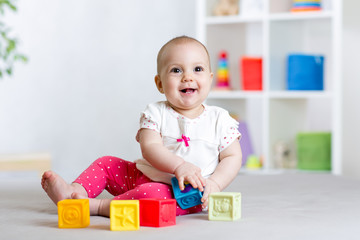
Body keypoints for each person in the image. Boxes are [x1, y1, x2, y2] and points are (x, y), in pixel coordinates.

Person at [41, 36, 242, 217]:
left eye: (197, 69)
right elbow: (150, 147)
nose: (187, 77)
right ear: (160, 83)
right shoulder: (155, 112)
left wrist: (215, 184)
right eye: (176, 70)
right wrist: (179, 165)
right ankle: (74, 191)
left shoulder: (220, 119)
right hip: (142, 174)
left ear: (210, 78)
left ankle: (99, 206)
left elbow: (232, 156)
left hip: (183, 193)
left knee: (152, 195)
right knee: (106, 163)